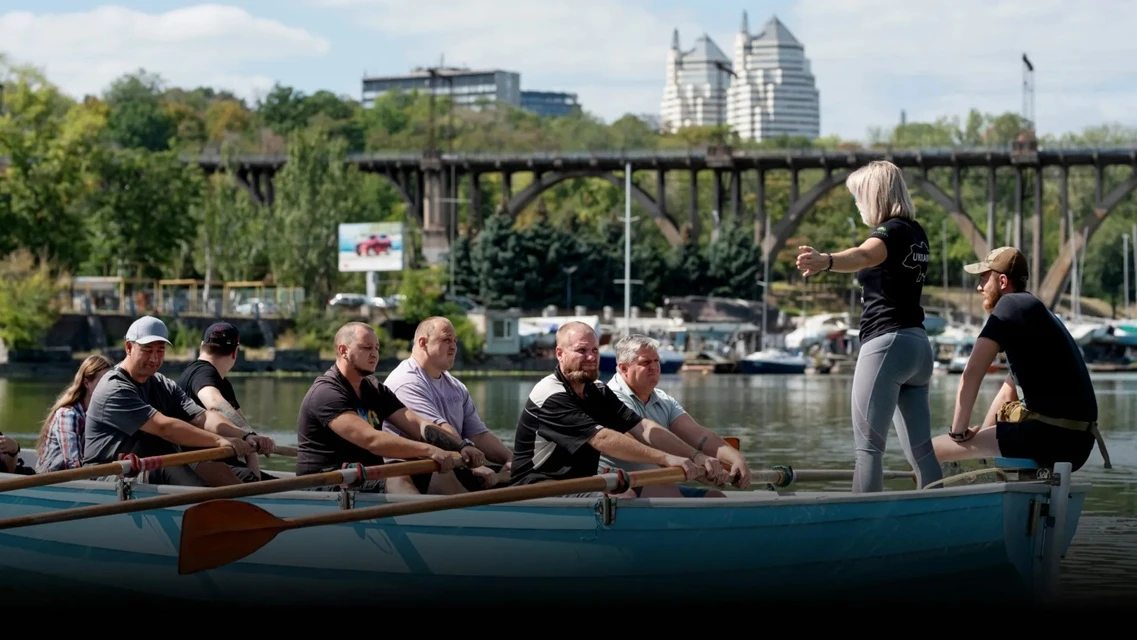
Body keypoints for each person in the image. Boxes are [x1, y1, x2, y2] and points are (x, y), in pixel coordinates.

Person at [795, 160, 942, 492]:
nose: (857, 204)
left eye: (858, 197)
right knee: (921, 451)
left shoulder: (888, 232)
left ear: (873, 195)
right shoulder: (917, 232)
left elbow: (863, 256)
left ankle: (862, 528)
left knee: (868, 448)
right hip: (918, 347)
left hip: (886, 345)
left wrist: (827, 261)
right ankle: (935, 516)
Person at [931, 246, 1111, 472]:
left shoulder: (1009, 305)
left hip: (1048, 437)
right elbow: (1009, 389)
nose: (979, 287)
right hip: (1077, 443)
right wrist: (980, 443)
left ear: (1003, 282)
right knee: (981, 457)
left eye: (984, 279)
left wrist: (958, 433)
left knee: (930, 454)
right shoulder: (1036, 311)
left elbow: (972, 372)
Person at [509, 321, 724, 498]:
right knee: (625, 497)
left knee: (664, 490)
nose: (591, 357)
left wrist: (695, 456)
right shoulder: (550, 395)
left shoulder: (597, 391)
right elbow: (602, 439)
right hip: (538, 489)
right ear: (559, 354)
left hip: (581, 484)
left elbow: (642, 427)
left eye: (595, 350)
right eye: (582, 351)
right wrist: (666, 459)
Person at [294, 321, 486, 495]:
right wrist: (429, 450)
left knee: (436, 472)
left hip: (364, 475)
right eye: (366, 348)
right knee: (398, 477)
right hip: (325, 483)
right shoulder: (327, 394)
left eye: (377, 348)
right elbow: (372, 440)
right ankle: (424, 529)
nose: (375, 354)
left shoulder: (374, 389)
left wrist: (460, 446)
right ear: (343, 350)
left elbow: (418, 425)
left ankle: (460, 519)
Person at [83, 315, 258, 486]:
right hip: (107, 475)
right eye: (147, 350)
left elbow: (203, 417)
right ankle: (210, 508)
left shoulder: (162, 384)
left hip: (148, 467)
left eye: (160, 350)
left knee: (215, 469)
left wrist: (245, 435)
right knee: (171, 467)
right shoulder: (115, 387)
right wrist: (220, 441)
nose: (154, 358)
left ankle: (242, 505)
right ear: (129, 347)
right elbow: (164, 427)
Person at [602, 334, 752, 498]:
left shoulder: (663, 399)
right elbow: (640, 440)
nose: (654, 367)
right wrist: (697, 460)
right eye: (645, 362)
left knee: (715, 497)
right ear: (623, 368)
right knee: (666, 491)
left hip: (656, 484)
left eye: (656, 361)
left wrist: (736, 459)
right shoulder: (609, 397)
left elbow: (699, 435)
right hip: (619, 486)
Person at [382, 316, 512, 493]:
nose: (453, 347)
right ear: (423, 343)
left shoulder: (456, 386)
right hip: (414, 470)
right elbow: (437, 432)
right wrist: (473, 464)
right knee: (445, 473)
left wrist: (511, 459)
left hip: (455, 461)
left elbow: (478, 435)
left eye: (455, 341)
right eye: (446, 340)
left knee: (521, 475)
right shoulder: (406, 383)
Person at [177, 321, 276, 482]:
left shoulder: (222, 383)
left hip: (225, 465)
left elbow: (244, 427)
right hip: (201, 469)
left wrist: (255, 471)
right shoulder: (202, 373)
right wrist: (248, 436)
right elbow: (215, 404)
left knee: (274, 483)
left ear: (203, 346)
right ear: (235, 352)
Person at [34, 354, 114, 474]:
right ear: (87, 383)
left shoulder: (103, 414)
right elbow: (74, 464)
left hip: (79, 478)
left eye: (111, 381)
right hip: (51, 480)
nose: (109, 388)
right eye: (103, 382)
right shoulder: (68, 415)